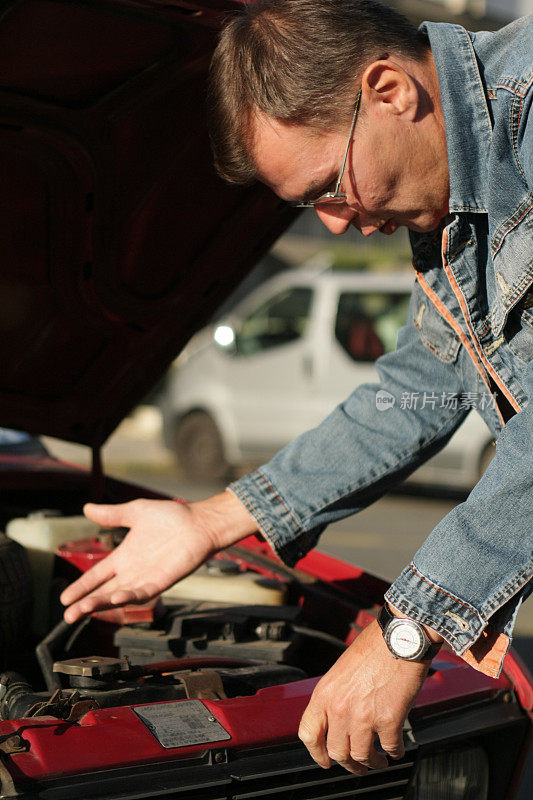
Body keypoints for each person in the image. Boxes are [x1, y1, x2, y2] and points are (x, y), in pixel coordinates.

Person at [61, 0, 533, 778]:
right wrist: (211, 519)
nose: (337, 223)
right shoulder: (453, 184)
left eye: (329, 186)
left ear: (388, 90)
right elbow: (423, 383)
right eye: (312, 207)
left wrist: (406, 632)